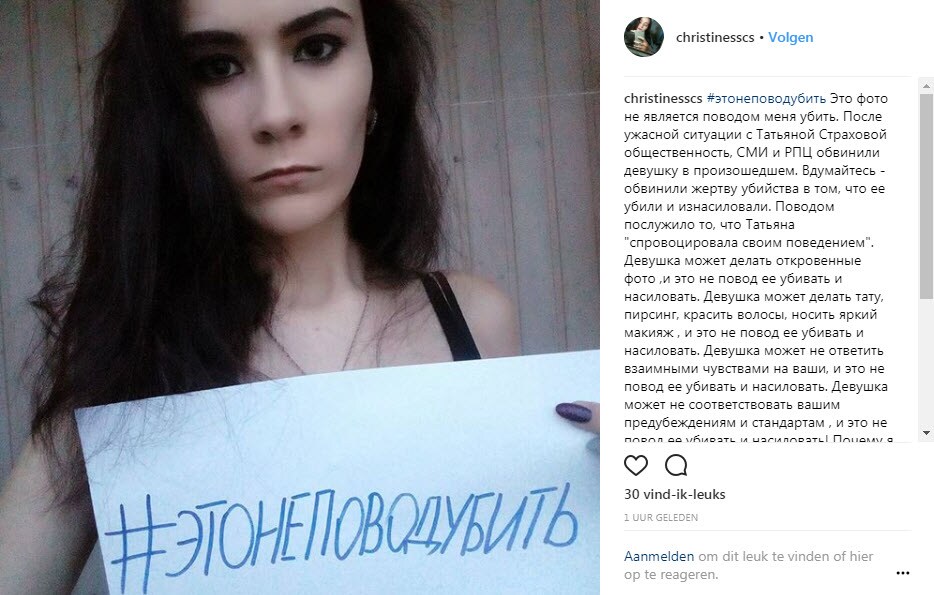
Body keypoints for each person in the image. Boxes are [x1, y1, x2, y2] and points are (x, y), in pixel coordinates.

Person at [0, 1, 598, 593]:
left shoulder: (474, 318)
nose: (277, 114)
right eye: (217, 66)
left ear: (378, 79)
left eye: (317, 49)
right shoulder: (122, 350)